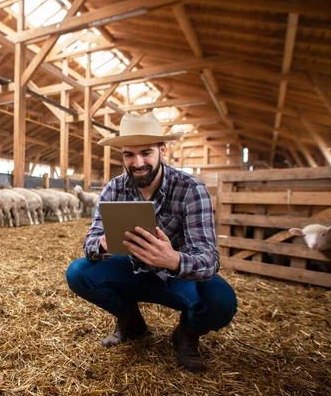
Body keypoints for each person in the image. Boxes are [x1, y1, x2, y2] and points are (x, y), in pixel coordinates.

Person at [65, 113, 237, 373]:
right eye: (129, 155)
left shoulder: (191, 189)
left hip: (177, 276)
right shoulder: (114, 189)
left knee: (223, 300)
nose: (138, 162)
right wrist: (102, 244)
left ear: (162, 149)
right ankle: (131, 322)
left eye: (146, 152)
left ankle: (187, 334)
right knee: (78, 273)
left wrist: (173, 260)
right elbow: (89, 243)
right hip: (131, 270)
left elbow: (210, 260)